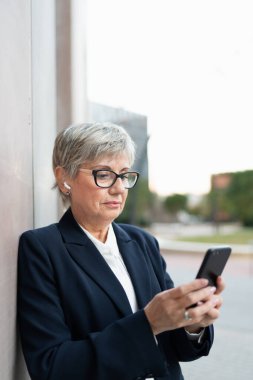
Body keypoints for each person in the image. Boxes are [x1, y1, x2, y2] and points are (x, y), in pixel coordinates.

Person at [18, 122, 225, 380]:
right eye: (103, 174)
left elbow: (173, 350)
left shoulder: (143, 242)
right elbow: (52, 367)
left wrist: (193, 323)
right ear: (64, 179)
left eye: (124, 175)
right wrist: (148, 324)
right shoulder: (43, 248)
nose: (118, 188)